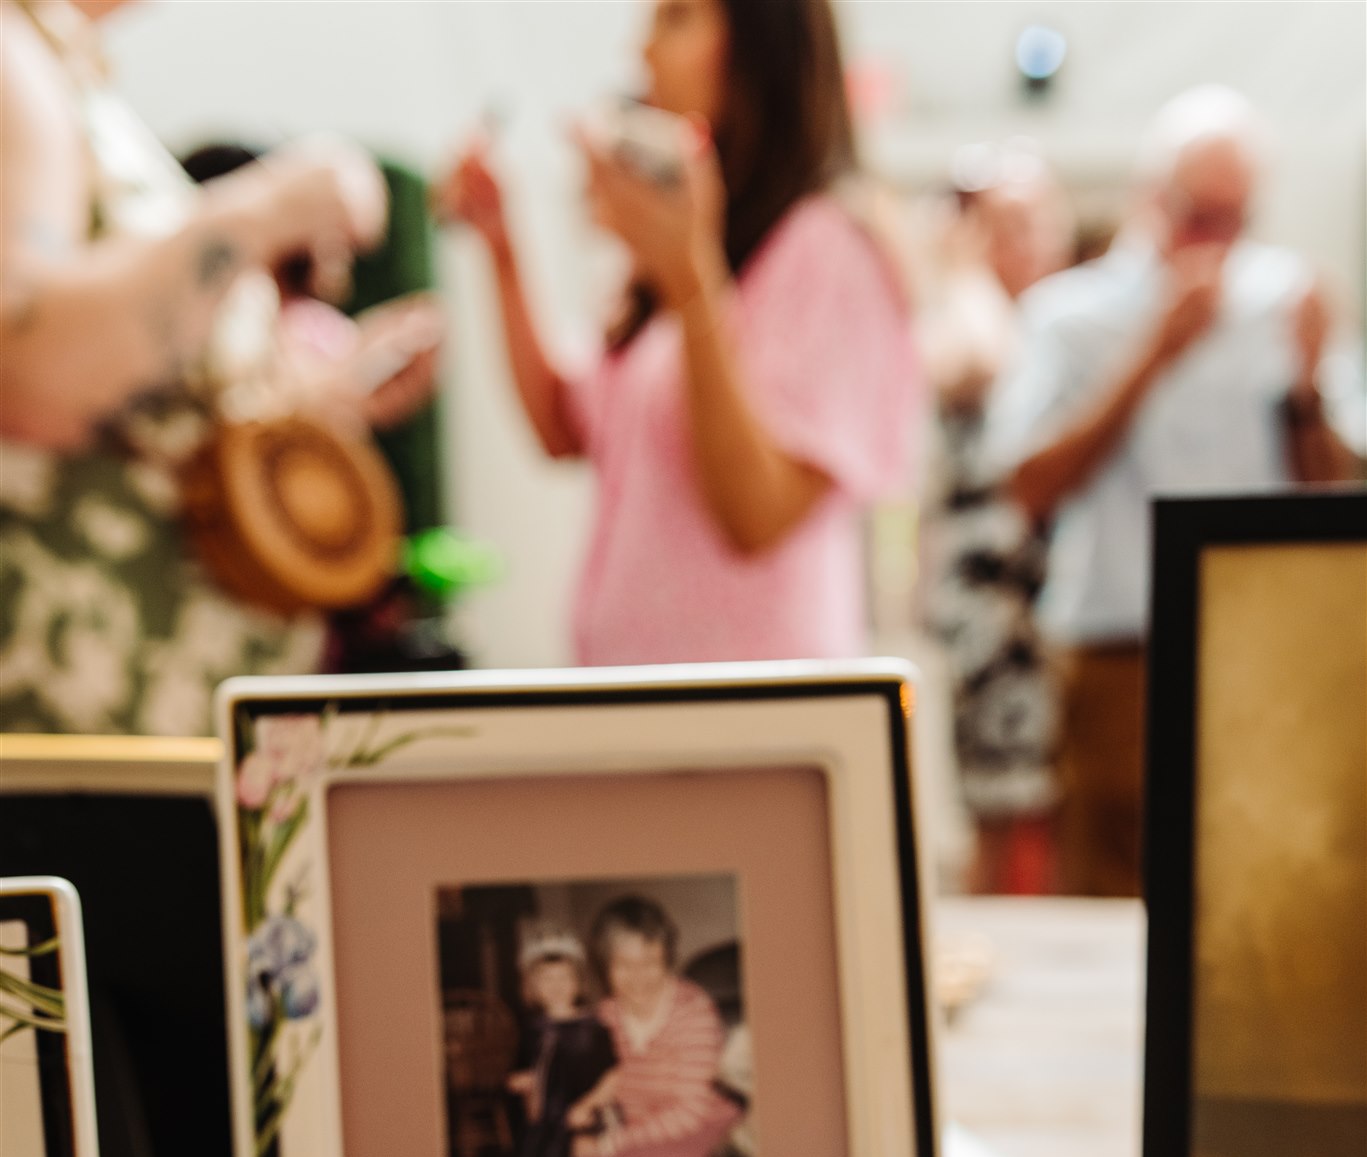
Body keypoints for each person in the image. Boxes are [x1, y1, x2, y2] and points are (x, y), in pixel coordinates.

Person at [0, 0, 441, 735]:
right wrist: (274, 204)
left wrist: (320, 398)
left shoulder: (58, 69)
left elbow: (138, 421)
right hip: (77, 758)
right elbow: (27, 370)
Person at [437, 0, 919, 665]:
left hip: (755, 719)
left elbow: (756, 514)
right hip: (640, 710)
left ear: (763, 47)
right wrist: (500, 247)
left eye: (677, 18)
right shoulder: (693, 247)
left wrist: (690, 280)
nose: (641, 53)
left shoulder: (828, 249)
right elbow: (561, 426)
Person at [985, 85, 1359, 897]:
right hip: (1117, 642)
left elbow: (1327, 494)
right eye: (1199, 214)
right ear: (1153, 198)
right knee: (1111, 891)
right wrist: (1152, 353)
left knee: (1262, 887)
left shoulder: (1285, 301)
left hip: (1259, 647)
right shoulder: (1071, 315)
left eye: (1235, 218)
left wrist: (1305, 385)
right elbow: (1026, 483)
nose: (1216, 239)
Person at [917, 145, 1073, 893]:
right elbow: (975, 362)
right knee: (997, 814)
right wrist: (958, 268)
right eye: (998, 223)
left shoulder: (1068, 322)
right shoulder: (962, 319)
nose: (1022, 240)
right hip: (989, 619)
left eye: (1032, 221)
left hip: (1056, 611)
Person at [564, 894, 738, 1157]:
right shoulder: (605, 1017)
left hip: (704, 1131)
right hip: (638, 1133)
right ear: (605, 966)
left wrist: (610, 1143)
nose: (638, 978)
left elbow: (689, 1111)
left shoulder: (692, 1010)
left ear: (666, 959)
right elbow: (593, 1084)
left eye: (650, 963)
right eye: (624, 965)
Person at [493, 929, 617, 1157]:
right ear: (533, 987)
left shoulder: (593, 1028)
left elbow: (613, 1074)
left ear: (579, 983)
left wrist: (590, 1104)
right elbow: (519, 1070)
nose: (556, 986)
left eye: (564, 978)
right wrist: (519, 1082)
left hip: (580, 1122)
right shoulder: (533, 1029)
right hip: (542, 1126)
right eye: (546, 980)